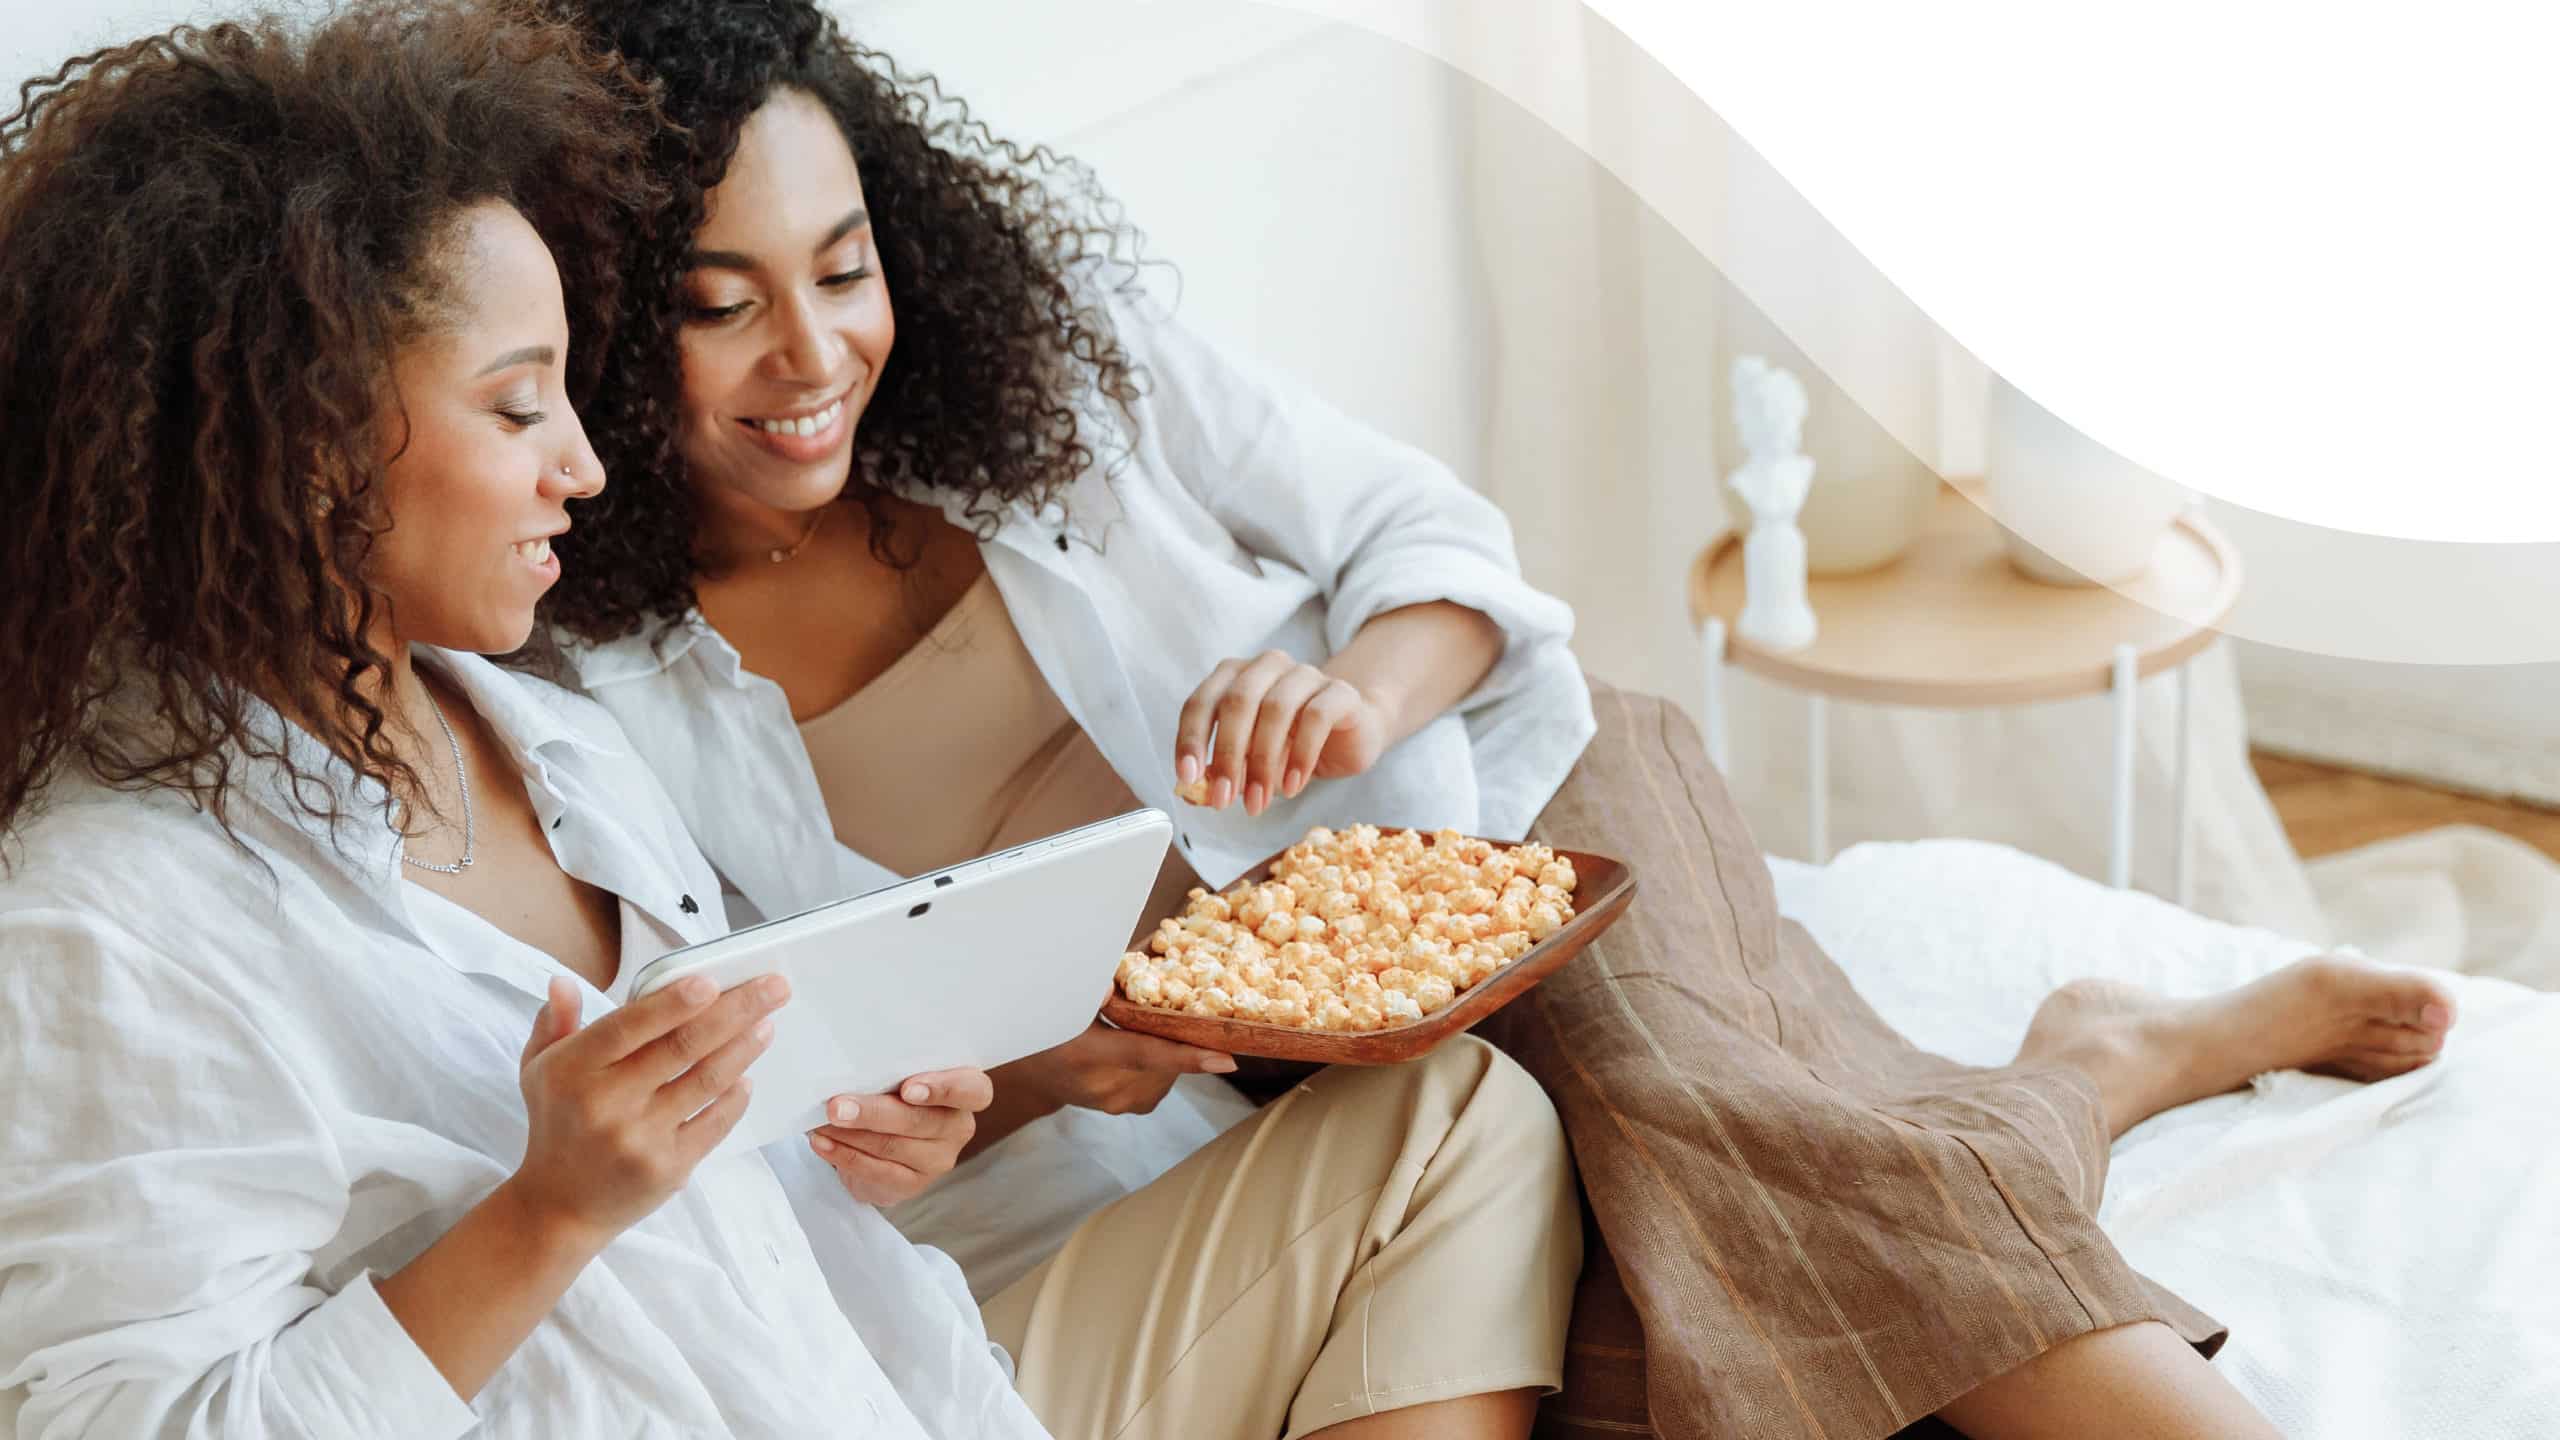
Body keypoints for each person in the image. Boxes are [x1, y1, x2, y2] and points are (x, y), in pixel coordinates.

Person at [538, 2, 2466, 1437]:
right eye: (721, 307)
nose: (815, 357)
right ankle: (2089, 1073)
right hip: (1280, 1070)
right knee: (1674, 1344)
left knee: (1728, 1147)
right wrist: (1059, 1068)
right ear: (608, 342)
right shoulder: (607, 698)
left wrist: (1347, 692)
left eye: (846, 266)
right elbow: (822, 1089)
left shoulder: (1053, 365)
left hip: (1513, 812)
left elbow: (1432, 539)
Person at [0, 7, 1578, 1438]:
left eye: (566, 393)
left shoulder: (530, 738)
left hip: (917, 1382)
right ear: (303, 447)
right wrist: (546, 1213)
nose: (582, 466)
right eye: (516, 402)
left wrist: (891, 1130)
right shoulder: (106, 921)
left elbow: (775, 1210)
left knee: (1477, 1126)